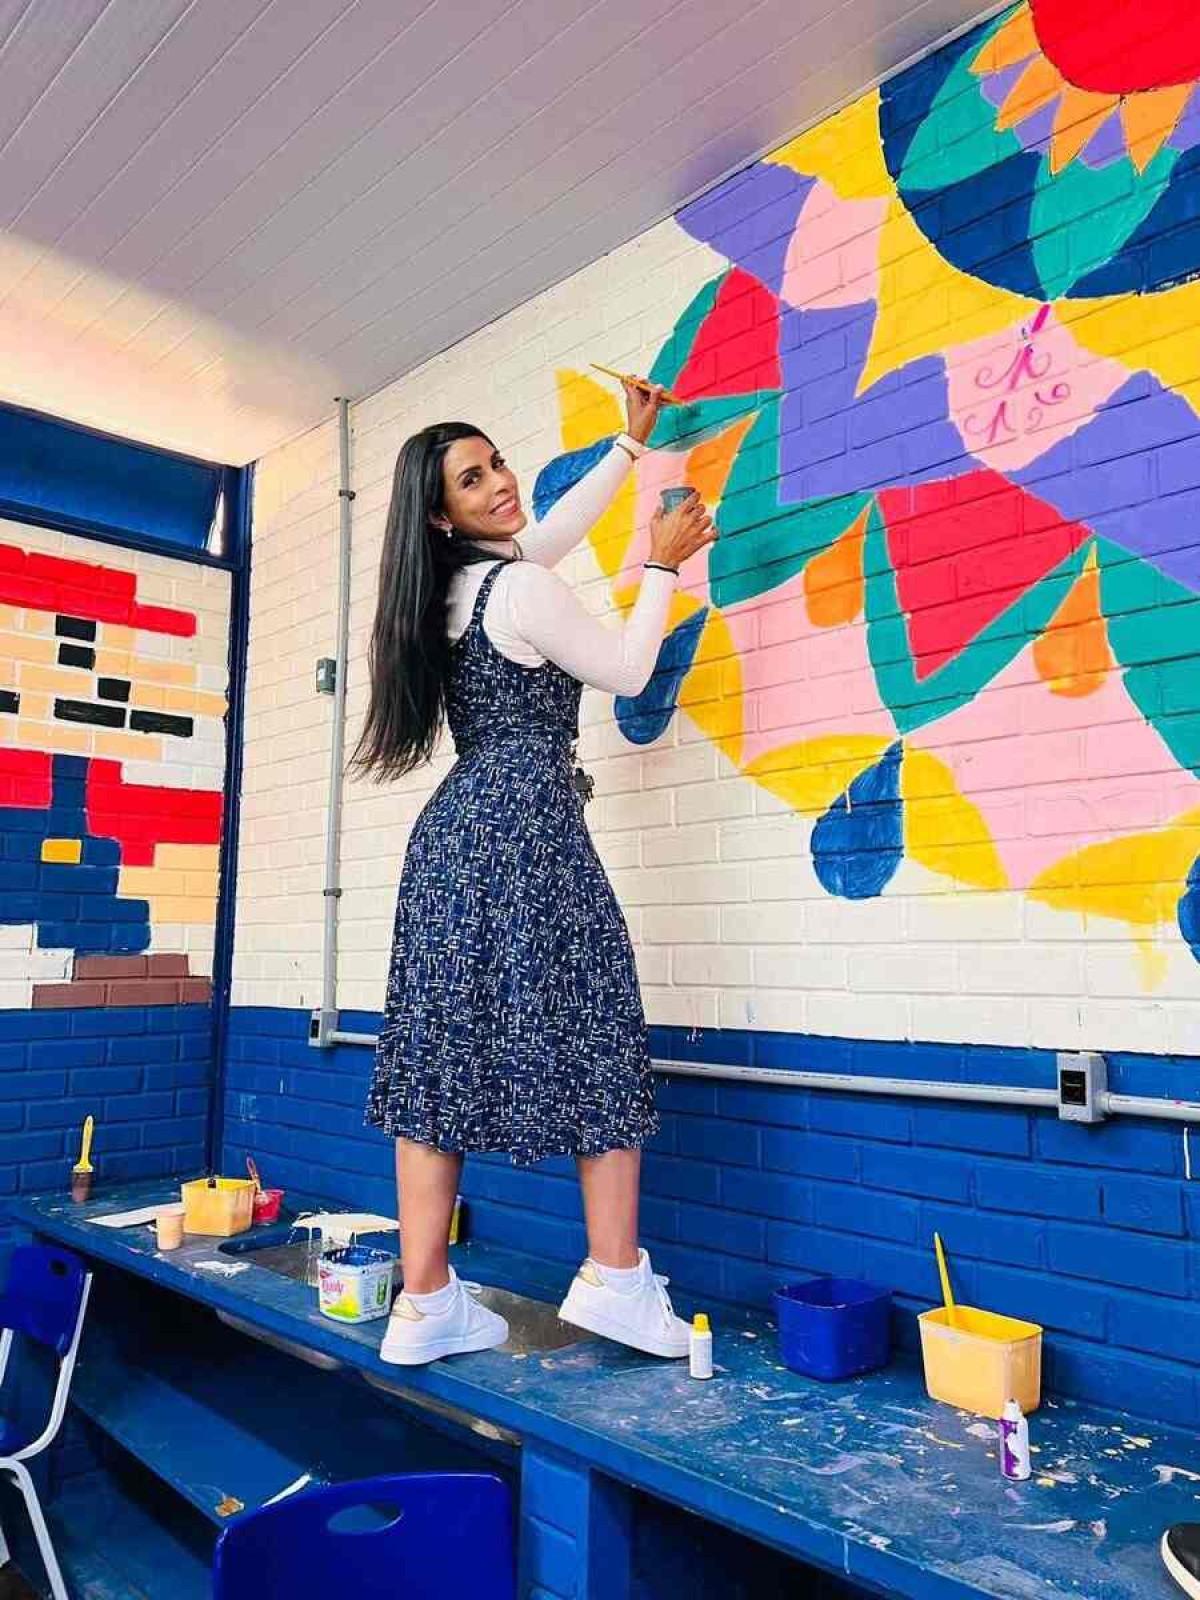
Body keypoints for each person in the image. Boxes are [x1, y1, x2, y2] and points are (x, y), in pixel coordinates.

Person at [354, 380, 715, 1366]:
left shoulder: (447, 593)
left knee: (438, 1048)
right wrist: (661, 565)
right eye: (474, 480)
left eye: (497, 460)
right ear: (442, 511)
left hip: (452, 838)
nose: (502, 483)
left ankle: (424, 1302)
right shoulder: (516, 590)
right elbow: (630, 669)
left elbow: (544, 538)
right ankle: (613, 1279)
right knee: (599, 1020)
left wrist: (628, 448)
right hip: (527, 827)